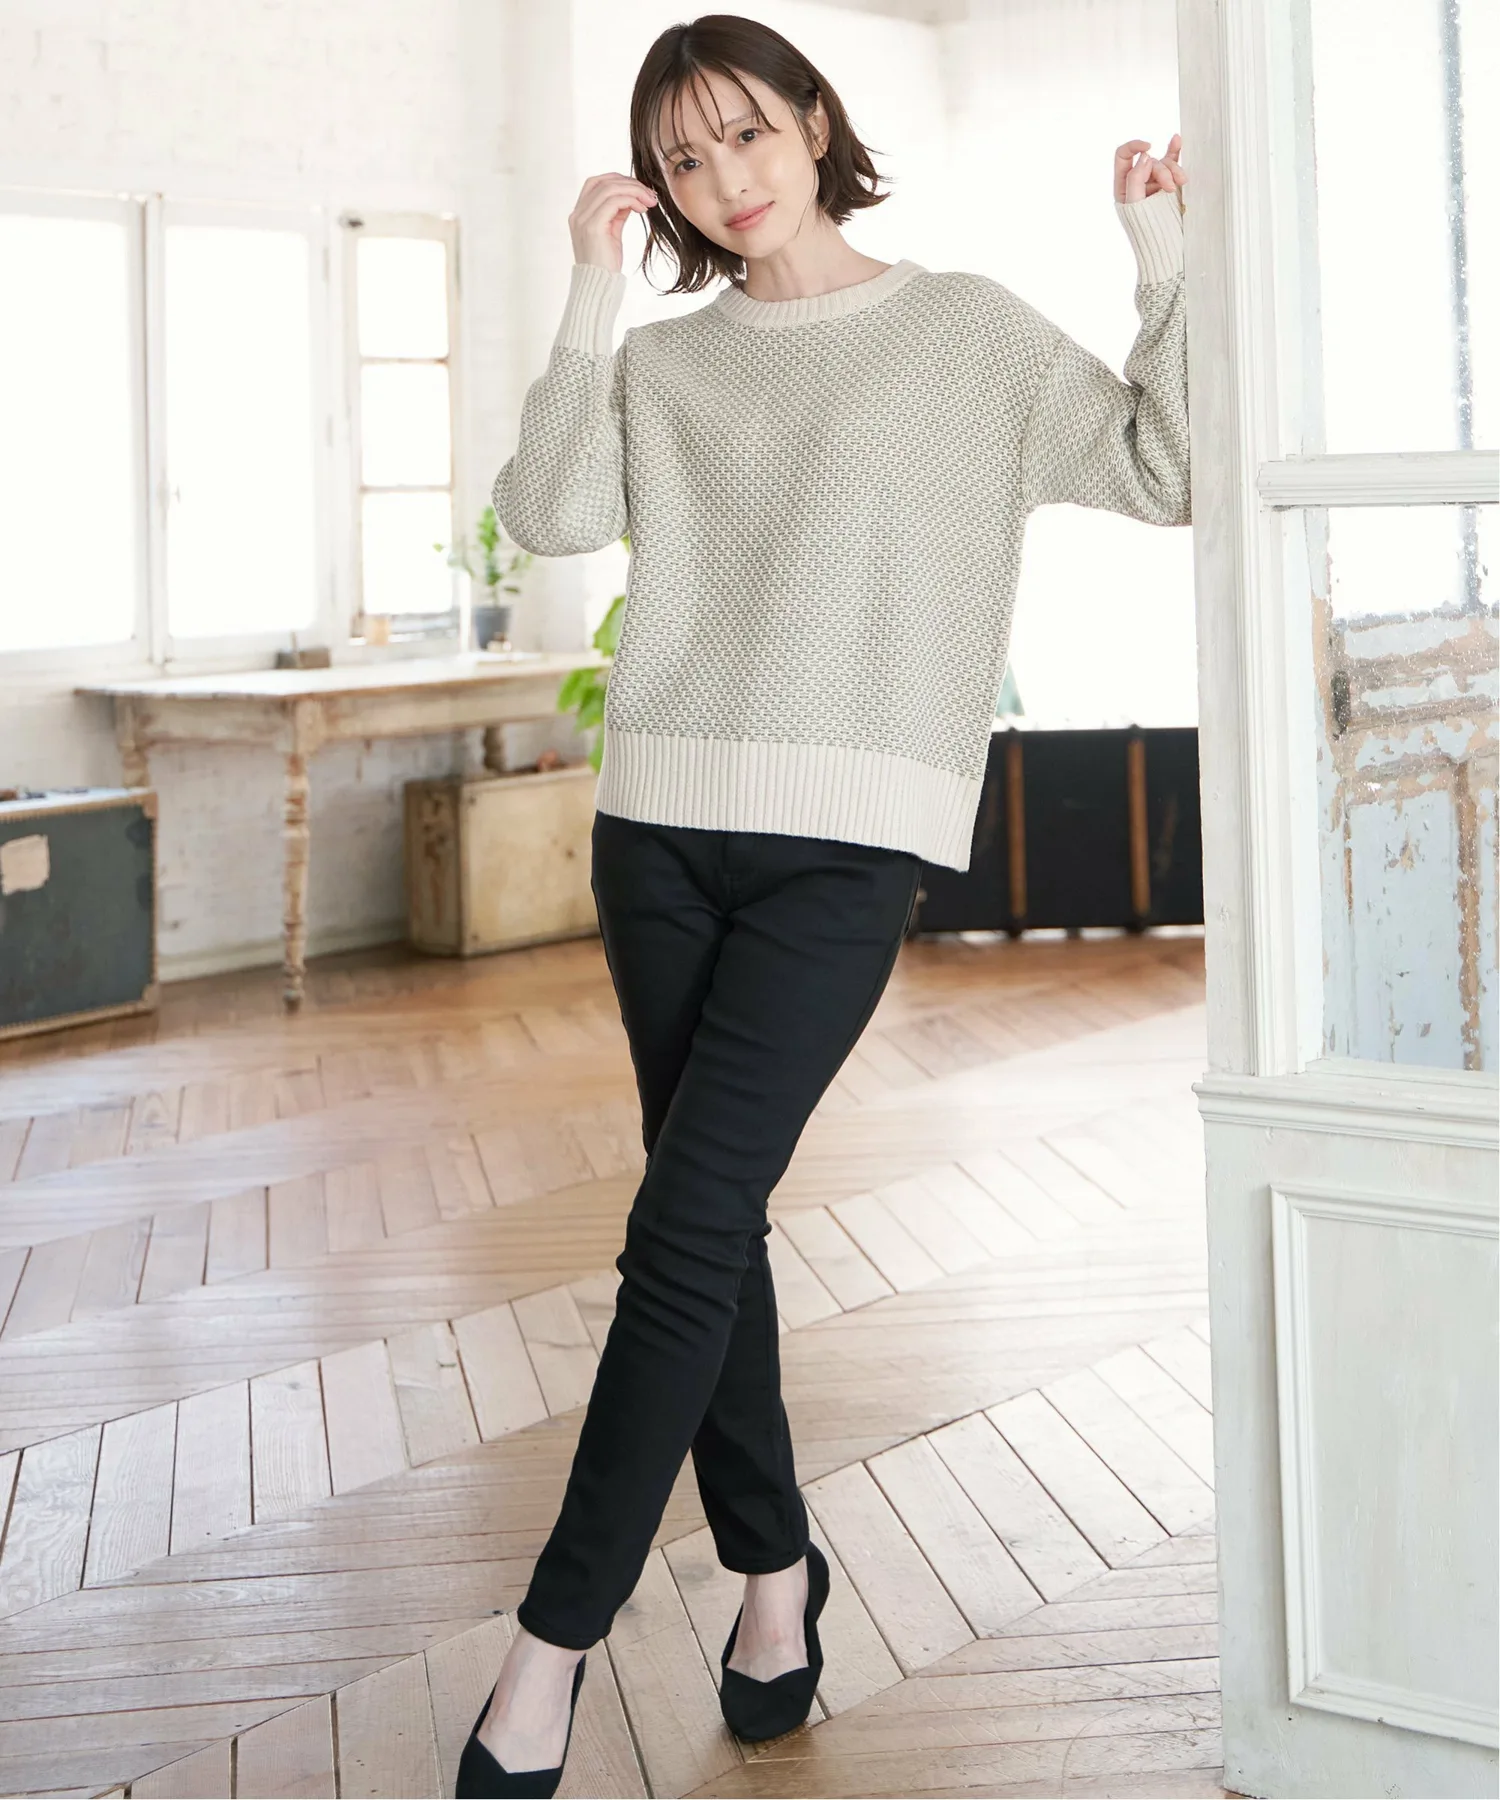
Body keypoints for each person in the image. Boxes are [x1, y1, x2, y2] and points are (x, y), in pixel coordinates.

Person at [459, 13, 1190, 1796]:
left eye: (743, 133)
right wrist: (589, 291)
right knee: (709, 1225)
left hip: (846, 847)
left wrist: (1163, 259)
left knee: (683, 1228)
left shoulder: (964, 334)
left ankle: (550, 1648)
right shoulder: (669, 366)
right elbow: (544, 514)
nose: (723, 178)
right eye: (682, 159)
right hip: (658, 836)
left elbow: (1165, 468)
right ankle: (776, 1582)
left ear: (812, 119)